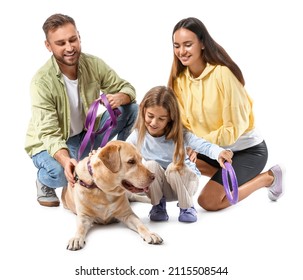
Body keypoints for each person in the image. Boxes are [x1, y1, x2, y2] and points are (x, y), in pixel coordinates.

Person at [168, 17, 284, 211]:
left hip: (246, 151)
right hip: (214, 151)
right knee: (175, 164)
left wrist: (199, 146)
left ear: (202, 43)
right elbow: (184, 125)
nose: (181, 51)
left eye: (188, 45)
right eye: (177, 46)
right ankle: (229, 177)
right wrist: (188, 146)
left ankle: (268, 178)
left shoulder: (223, 74)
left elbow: (232, 130)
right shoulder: (179, 81)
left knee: (209, 201)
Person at [25, 14, 138, 207]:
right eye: (60, 43)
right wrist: (65, 158)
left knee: (131, 108)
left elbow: (127, 88)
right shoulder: (41, 82)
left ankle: (120, 161)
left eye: (72, 39)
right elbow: (49, 133)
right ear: (48, 46)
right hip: (49, 144)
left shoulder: (93, 64)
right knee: (62, 174)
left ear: (79, 36)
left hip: (85, 134)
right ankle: (44, 180)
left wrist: (121, 97)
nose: (69, 48)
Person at [126, 86, 233, 223]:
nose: (154, 123)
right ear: (143, 111)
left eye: (161, 119)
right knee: (150, 165)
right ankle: (158, 205)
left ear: (170, 118)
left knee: (173, 168)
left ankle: (187, 207)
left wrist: (219, 153)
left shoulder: (181, 135)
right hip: (161, 187)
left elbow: (203, 145)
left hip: (185, 184)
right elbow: (121, 150)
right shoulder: (137, 136)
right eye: (150, 116)